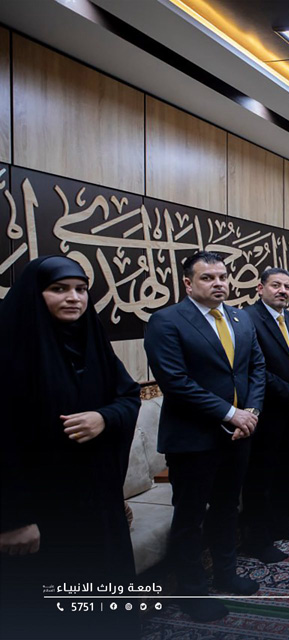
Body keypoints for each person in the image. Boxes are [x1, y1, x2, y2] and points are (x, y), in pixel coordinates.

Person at [0, 256, 141, 639]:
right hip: (41, 511)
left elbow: (128, 395)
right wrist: (13, 519)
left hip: (97, 505)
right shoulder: (10, 349)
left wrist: (104, 417)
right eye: (58, 289)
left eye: (81, 289)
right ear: (36, 294)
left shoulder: (92, 341)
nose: (73, 298)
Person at [144, 251, 266, 622]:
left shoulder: (240, 317)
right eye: (207, 278)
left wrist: (251, 413)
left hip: (238, 436)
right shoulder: (166, 321)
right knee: (190, 518)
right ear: (188, 283)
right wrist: (231, 413)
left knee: (228, 507)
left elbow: (256, 368)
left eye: (222, 277)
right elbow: (175, 382)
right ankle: (191, 592)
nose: (218, 284)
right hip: (193, 439)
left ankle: (226, 573)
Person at [242, 268, 289, 563]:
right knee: (261, 479)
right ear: (260, 288)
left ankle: (281, 525)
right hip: (267, 412)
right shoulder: (248, 319)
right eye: (276, 285)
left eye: (287, 286)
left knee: (286, 472)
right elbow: (256, 368)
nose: (283, 290)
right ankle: (258, 540)